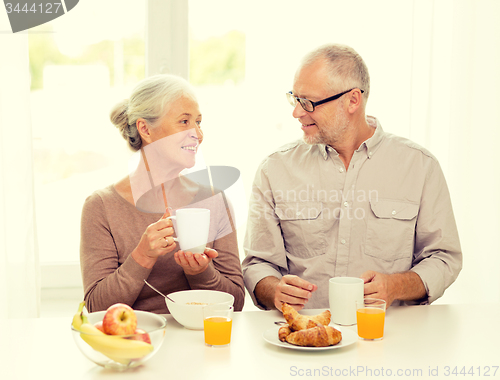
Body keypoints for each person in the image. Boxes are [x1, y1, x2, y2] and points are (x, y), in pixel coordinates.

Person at [242, 44, 462, 311]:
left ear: (353, 101)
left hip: (390, 340)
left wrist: (395, 286)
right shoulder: (274, 169)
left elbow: (444, 258)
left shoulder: (420, 166)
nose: (297, 112)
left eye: (308, 102)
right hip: (304, 340)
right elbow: (258, 263)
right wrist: (273, 289)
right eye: (294, 98)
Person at [80, 74, 245, 313]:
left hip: (201, 341)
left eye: (198, 122)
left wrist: (200, 272)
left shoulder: (216, 201)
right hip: (136, 343)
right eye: (184, 121)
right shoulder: (101, 207)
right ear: (145, 129)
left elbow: (237, 303)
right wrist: (142, 256)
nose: (197, 134)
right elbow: (96, 308)